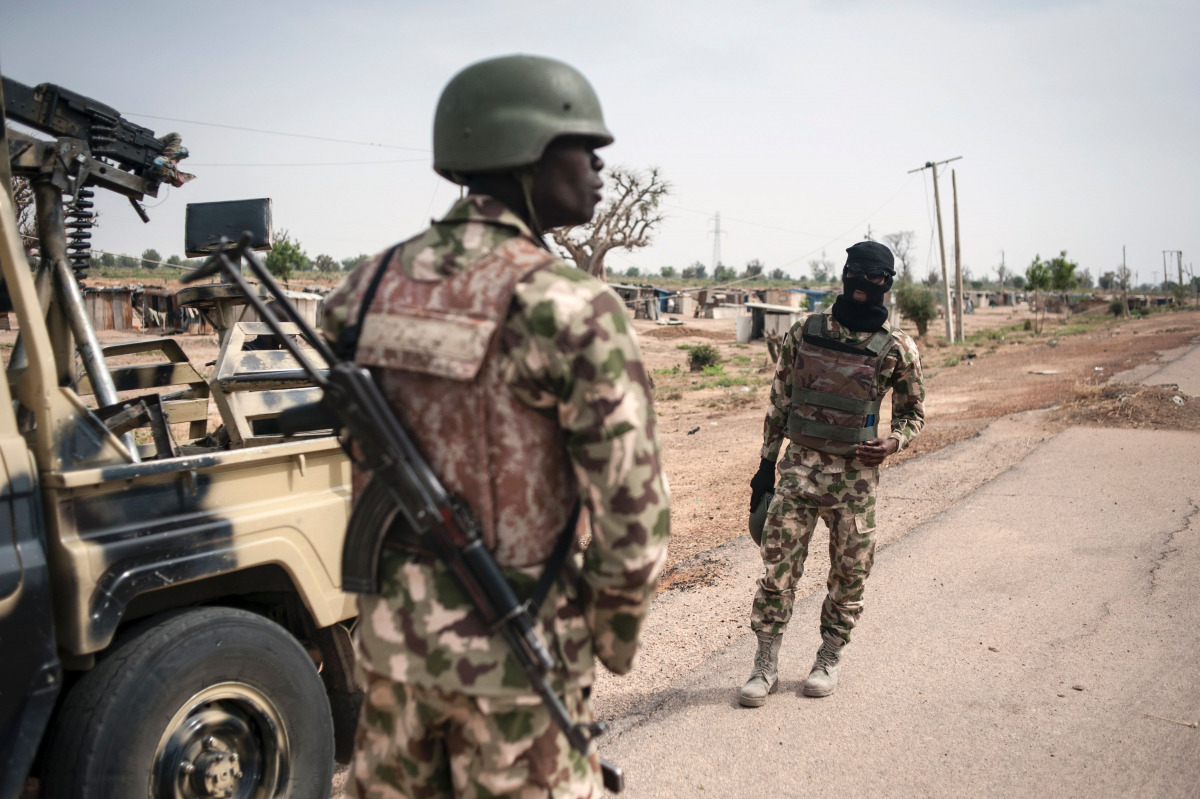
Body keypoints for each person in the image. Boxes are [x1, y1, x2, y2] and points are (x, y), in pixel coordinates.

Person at [322, 55, 670, 798]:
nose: (600, 166)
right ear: (525, 151)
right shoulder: (569, 305)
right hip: (518, 660)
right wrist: (603, 641)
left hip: (392, 654)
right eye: (585, 145)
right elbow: (634, 514)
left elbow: (354, 444)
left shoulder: (363, 288)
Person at [738, 240, 924, 707]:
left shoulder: (897, 347)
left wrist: (894, 442)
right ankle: (764, 665)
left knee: (849, 575)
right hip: (798, 471)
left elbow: (912, 414)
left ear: (887, 283)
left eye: (874, 276)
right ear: (844, 273)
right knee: (777, 573)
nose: (862, 284)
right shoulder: (805, 330)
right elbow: (780, 400)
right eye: (855, 272)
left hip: (855, 480)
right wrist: (765, 466)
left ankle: (828, 658)